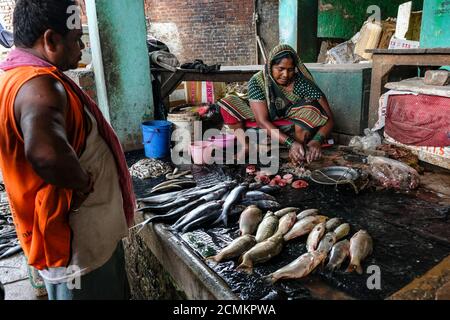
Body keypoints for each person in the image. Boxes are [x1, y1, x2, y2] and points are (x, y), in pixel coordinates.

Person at [0, 0, 135, 300]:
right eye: (76, 39)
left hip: (65, 241)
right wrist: (83, 182)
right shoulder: (40, 86)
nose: (82, 47)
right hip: (79, 248)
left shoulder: (13, 77)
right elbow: (46, 155)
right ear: (50, 40)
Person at [218, 44, 334, 164]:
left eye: (290, 70)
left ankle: (298, 150)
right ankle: (247, 147)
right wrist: (290, 142)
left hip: (290, 123)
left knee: (310, 108)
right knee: (228, 102)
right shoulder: (258, 81)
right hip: (264, 120)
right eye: (280, 69)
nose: (285, 75)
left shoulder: (302, 83)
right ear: (270, 66)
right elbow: (262, 121)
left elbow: (329, 118)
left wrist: (317, 141)